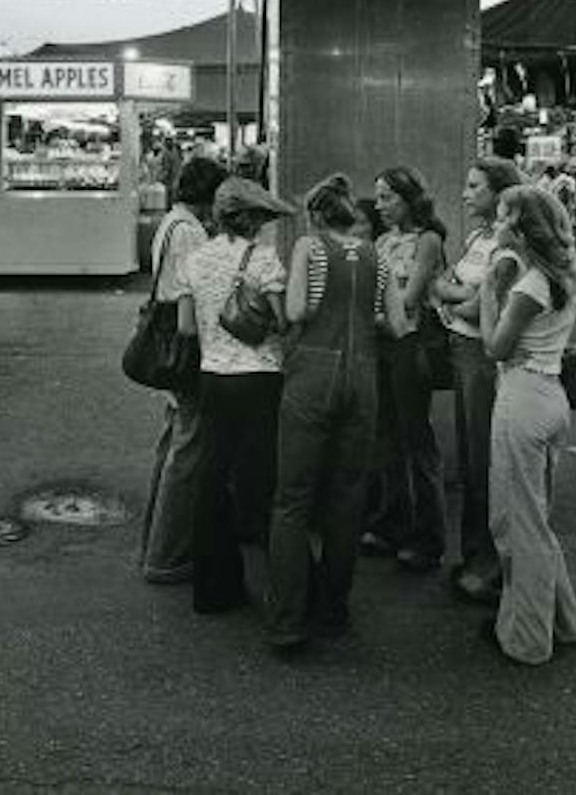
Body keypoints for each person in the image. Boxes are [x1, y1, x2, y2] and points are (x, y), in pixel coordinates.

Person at [265, 174, 396, 651]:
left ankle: (287, 620)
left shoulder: (309, 247)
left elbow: (298, 309)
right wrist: (362, 314)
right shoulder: (377, 255)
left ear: (316, 216)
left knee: (292, 501)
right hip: (362, 380)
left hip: (313, 379)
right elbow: (397, 323)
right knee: (346, 499)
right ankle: (333, 611)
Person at [480, 184, 576, 665]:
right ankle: (561, 621)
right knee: (534, 517)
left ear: (520, 228)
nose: (496, 224)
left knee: (516, 522)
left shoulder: (526, 287)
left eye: (503, 217)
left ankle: (526, 638)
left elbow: (495, 347)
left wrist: (486, 296)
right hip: (551, 395)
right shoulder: (557, 276)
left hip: (521, 397)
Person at [176, 175, 292, 614]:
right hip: (260, 377)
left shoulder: (195, 259)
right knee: (262, 480)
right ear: (252, 220)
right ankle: (284, 588)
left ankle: (213, 588)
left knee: (211, 480)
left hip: (213, 377)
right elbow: (282, 322)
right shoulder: (264, 260)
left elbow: (187, 327)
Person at [430, 156, 524, 605]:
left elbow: (471, 304)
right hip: (463, 352)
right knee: (470, 459)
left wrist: (454, 300)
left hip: (483, 359)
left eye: (474, 187)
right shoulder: (474, 238)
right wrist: (456, 297)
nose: (465, 194)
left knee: (484, 460)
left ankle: (488, 563)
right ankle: (472, 555)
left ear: (499, 194)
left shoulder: (507, 247)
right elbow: (442, 283)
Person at [137, 155, 228, 584]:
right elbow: (193, 297)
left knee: (172, 441)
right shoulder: (190, 232)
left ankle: (154, 545)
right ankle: (168, 555)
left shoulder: (171, 223)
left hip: (167, 335)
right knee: (188, 451)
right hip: (184, 342)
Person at [360, 166, 447, 574]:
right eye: (378, 198)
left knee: (416, 437)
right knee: (384, 436)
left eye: (387, 198)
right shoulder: (380, 241)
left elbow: (409, 301)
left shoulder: (428, 241)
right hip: (382, 343)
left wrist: (363, 312)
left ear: (409, 199)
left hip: (410, 343)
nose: (380, 206)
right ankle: (391, 521)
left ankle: (428, 536)